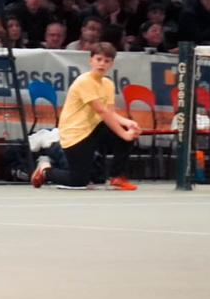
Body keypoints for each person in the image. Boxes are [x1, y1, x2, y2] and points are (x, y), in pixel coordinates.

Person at [31, 43, 139, 190]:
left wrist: (128, 123)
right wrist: (124, 134)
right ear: (91, 60)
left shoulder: (108, 83)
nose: (102, 64)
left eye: (106, 61)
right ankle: (45, 170)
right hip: (75, 134)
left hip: (94, 128)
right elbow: (101, 111)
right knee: (78, 181)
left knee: (127, 130)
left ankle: (117, 177)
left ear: (111, 64)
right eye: (99, 59)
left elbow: (110, 112)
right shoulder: (84, 81)